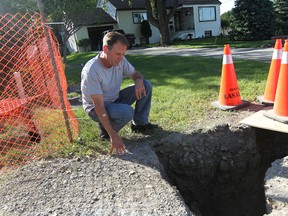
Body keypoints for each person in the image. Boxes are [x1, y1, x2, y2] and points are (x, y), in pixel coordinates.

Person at [81, 31, 158, 155]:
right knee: (127, 111)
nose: (121, 58)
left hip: (114, 100)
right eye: (118, 54)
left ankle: (140, 124)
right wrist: (113, 135)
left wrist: (138, 80)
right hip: (96, 108)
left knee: (146, 85)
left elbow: (135, 74)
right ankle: (106, 132)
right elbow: (99, 106)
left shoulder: (120, 60)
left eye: (123, 54)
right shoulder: (91, 71)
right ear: (105, 49)